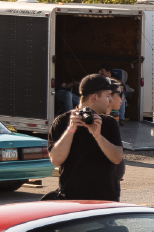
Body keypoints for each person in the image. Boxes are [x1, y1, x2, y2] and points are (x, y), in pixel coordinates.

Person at [48, 73, 124, 201]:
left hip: (105, 201)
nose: (110, 100)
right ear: (94, 97)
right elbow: (56, 160)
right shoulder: (62, 122)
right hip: (73, 202)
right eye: (107, 96)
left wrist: (98, 136)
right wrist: (71, 130)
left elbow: (117, 158)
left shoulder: (109, 123)